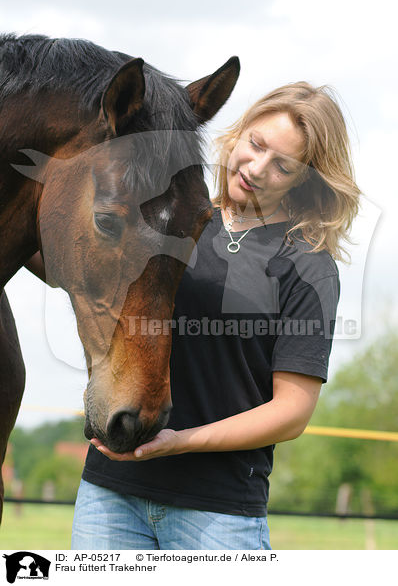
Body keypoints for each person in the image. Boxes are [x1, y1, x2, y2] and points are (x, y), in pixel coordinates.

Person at [38, 82, 360, 550]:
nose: (257, 168)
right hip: (110, 495)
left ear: (304, 179)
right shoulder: (174, 221)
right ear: (238, 134)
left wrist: (181, 441)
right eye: (256, 144)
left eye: (283, 165)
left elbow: (291, 413)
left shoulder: (309, 266)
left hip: (217, 513)